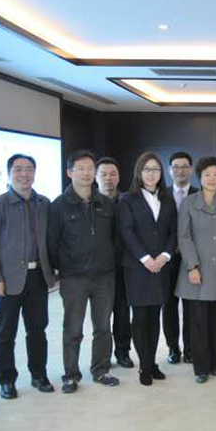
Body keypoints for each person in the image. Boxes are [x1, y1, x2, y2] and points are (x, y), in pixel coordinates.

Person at [48, 149, 120, 393]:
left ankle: (101, 370)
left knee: (103, 327)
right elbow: (52, 243)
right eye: (81, 169)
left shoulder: (106, 203)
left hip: (104, 276)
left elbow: (114, 238)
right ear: (70, 172)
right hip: (74, 277)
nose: (87, 173)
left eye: (90, 169)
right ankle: (71, 375)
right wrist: (66, 265)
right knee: (73, 328)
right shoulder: (59, 206)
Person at [0, 154, 56, 399]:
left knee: (37, 331)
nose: (24, 174)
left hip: (38, 278)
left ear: (35, 173)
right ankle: (7, 380)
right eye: (18, 169)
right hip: (7, 280)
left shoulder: (44, 203)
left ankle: (39, 375)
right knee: (5, 333)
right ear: (9, 173)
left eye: (29, 169)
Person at [175, 156, 216, 384]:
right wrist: (192, 266)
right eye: (207, 175)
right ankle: (200, 368)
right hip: (196, 271)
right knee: (198, 321)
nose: (212, 179)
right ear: (199, 177)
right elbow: (183, 236)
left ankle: (214, 364)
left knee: (215, 319)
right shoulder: (188, 203)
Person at [118, 152, 177, 386]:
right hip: (137, 268)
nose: (151, 174)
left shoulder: (168, 199)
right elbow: (126, 232)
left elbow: (173, 231)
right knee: (141, 317)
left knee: (155, 316)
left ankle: (152, 362)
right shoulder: (127, 199)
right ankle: (144, 365)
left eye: (156, 170)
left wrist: (164, 256)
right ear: (139, 172)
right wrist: (145, 259)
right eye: (147, 169)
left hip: (161, 266)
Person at [96, 157, 134, 369]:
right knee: (101, 316)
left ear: (119, 177)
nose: (108, 178)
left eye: (113, 174)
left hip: (123, 266)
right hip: (98, 268)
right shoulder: (89, 201)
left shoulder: (128, 201)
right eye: (103, 174)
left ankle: (123, 352)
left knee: (122, 312)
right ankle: (102, 356)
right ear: (96, 177)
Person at [165, 151, 198, 364]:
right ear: (170, 170)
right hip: (167, 258)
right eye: (176, 167)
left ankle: (190, 349)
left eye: (185, 166)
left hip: (191, 258)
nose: (180, 170)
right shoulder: (161, 195)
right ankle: (173, 348)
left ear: (191, 170)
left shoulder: (199, 194)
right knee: (168, 305)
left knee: (190, 306)